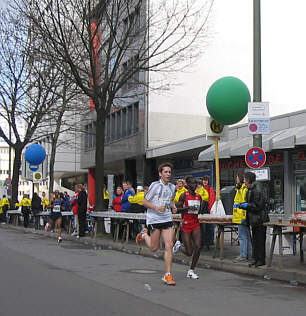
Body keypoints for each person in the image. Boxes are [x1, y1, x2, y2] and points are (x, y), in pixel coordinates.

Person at [135, 162, 177, 286]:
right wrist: (156, 208)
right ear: (160, 174)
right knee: (154, 248)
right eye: (166, 172)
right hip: (154, 219)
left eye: (170, 172)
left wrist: (173, 206)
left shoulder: (172, 187)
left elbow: (171, 200)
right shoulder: (155, 186)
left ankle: (168, 274)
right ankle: (144, 235)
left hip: (167, 218)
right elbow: (144, 201)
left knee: (169, 245)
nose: (168, 174)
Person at [173, 177, 205, 279]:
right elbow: (176, 209)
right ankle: (178, 246)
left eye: (196, 183)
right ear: (187, 184)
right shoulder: (183, 195)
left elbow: (200, 210)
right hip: (186, 224)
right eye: (192, 183)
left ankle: (191, 270)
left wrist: (201, 208)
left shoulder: (199, 196)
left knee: (198, 247)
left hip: (195, 223)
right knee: (189, 252)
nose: (194, 185)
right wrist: (187, 208)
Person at [238, 171, 267, 267]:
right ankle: (255, 259)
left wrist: (247, 205)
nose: (244, 182)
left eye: (245, 179)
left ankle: (261, 260)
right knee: (254, 241)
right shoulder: (249, 190)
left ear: (249, 180)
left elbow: (258, 206)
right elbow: (250, 205)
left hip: (260, 220)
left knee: (259, 241)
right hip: (254, 220)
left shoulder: (257, 190)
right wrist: (242, 206)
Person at [232, 171, 251, 263]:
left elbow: (244, 204)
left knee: (242, 237)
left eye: (237, 177)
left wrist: (243, 218)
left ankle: (243, 255)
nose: (236, 179)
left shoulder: (243, 189)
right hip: (240, 216)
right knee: (246, 236)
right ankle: (248, 255)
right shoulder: (240, 189)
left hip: (241, 217)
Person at [201, 176, 216, 248]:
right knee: (203, 227)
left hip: (209, 210)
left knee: (210, 227)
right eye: (204, 180)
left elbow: (212, 200)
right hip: (202, 210)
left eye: (206, 180)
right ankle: (204, 241)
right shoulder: (201, 189)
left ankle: (210, 241)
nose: (205, 182)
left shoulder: (210, 189)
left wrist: (210, 209)